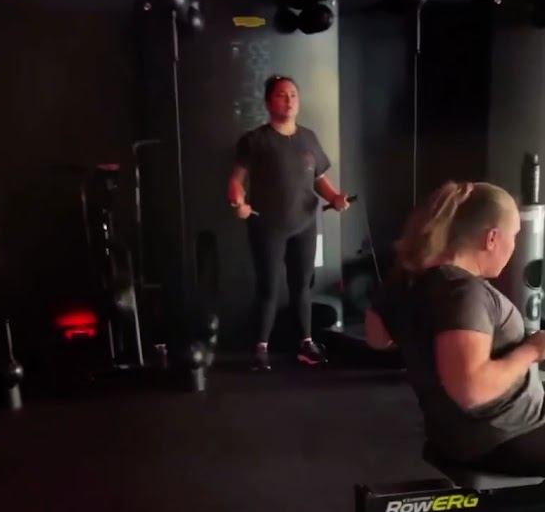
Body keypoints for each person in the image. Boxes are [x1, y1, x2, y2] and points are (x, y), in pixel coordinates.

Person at [365, 179, 545, 475]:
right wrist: (532, 350)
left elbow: (377, 339)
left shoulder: (405, 283)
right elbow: (471, 390)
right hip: (505, 436)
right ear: (492, 238)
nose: (514, 246)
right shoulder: (463, 292)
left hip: (459, 433)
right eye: (514, 236)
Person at [228, 75, 351, 371]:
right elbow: (236, 181)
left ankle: (306, 344)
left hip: (305, 223)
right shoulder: (255, 140)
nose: (289, 100)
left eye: (293, 94)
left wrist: (335, 198)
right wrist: (238, 203)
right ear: (269, 102)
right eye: (282, 95)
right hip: (267, 226)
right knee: (268, 288)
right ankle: (260, 349)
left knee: (302, 286)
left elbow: (319, 180)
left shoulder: (308, 138)